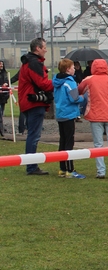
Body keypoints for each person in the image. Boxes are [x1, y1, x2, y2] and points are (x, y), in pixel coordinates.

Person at [78, 58, 108, 179]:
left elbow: (78, 91)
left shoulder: (88, 80)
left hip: (95, 116)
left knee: (98, 145)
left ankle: (101, 172)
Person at [17, 38, 54, 175]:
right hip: (34, 102)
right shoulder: (34, 63)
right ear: (37, 48)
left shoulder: (28, 62)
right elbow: (42, 83)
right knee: (34, 135)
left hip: (27, 102)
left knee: (32, 134)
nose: (46, 50)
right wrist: (57, 82)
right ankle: (31, 166)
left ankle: (31, 164)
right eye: (44, 47)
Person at [52, 58, 86, 178]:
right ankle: (70, 170)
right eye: (72, 67)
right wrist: (83, 97)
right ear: (67, 69)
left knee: (62, 141)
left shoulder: (56, 81)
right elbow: (74, 98)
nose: (74, 69)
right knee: (69, 142)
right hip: (69, 114)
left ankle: (62, 168)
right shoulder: (70, 82)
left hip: (60, 113)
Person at [0, 60, 9, 136]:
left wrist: (6, 84)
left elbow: (7, 81)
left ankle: (1, 127)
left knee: (1, 112)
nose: (1, 66)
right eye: (0, 64)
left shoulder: (4, 73)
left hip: (3, 96)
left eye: (2, 64)